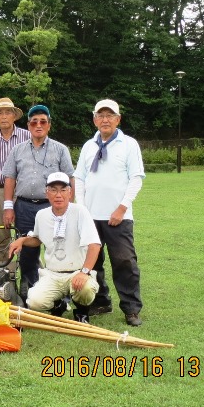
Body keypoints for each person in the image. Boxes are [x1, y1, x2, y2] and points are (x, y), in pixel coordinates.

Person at [74, 99, 145, 326]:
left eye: (110, 115)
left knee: (124, 261)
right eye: (101, 115)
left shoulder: (129, 144)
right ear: (95, 119)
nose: (105, 119)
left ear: (118, 119)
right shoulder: (88, 145)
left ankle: (131, 309)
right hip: (91, 216)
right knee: (93, 263)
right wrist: (82, 207)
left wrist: (122, 207)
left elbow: (136, 178)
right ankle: (101, 301)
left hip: (118, 217)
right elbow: (80, 178)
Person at [2, 105, 75, 297]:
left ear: (49, 125)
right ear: (28, 125)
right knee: (27, 250)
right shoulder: (17, 150)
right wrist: (8, 207)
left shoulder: (60, 149)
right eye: (34, 122)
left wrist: (69, 208)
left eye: (43, 121)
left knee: (59, 248)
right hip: (24, 206)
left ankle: (62, 293)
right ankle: (30, 290)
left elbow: (70, 178)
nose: (38, 125)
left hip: (53, 207)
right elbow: (9, 178)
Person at [8, 172, 101, 323]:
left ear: (70, 192)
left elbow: (94, 244)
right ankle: (59, 304)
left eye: (63, 190)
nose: (58, 195)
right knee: (34, 301)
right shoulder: (41, 214)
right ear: (47, 193)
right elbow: (37, 239)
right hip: (52, 274)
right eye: (53, 190)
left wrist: (84, 272)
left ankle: (82, 311)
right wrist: (22, 240)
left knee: (86, 289)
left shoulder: (80, 211)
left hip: (77, 271)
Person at [0, 98, 31, 260]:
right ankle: (3, 276)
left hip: (23, 191)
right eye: (0, 113)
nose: (4, 116)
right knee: (0, 236)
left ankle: (30, 278)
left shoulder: (27, 137)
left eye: (8, 112)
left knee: (26, 235)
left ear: (14, 116)